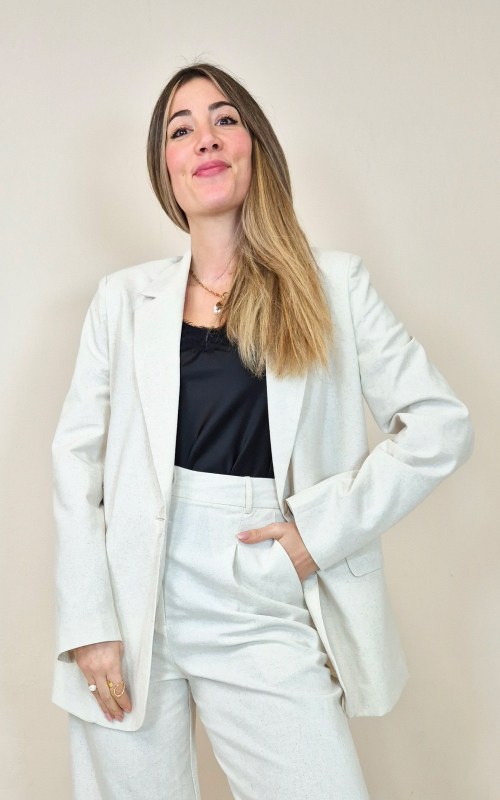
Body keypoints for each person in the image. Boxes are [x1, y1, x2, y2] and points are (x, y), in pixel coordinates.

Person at [51, 62, 474, 799]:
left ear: (256, 146)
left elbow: (441, 425)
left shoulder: (333, 286)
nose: (205, 139)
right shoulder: (122, 302)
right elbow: (75, 461)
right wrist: (89, 621)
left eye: (225, 119)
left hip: (257, 585)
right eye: (181, 130)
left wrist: (318, 534)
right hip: (130, 592)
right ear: (166, 170)